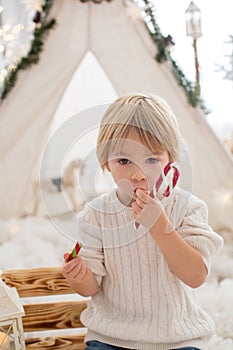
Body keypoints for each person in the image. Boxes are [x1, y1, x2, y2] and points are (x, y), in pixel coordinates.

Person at [61, 94, 223, 350]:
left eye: (151, 160)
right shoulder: (96, 214)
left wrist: (159, 225)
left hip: (177, 338)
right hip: (111, 338)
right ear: (106, 163)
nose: (138, 175)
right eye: (124, 161)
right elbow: (90, 288)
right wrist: (78, 276)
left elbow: (195, 276)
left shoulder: (187, 208)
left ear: (170, 160)